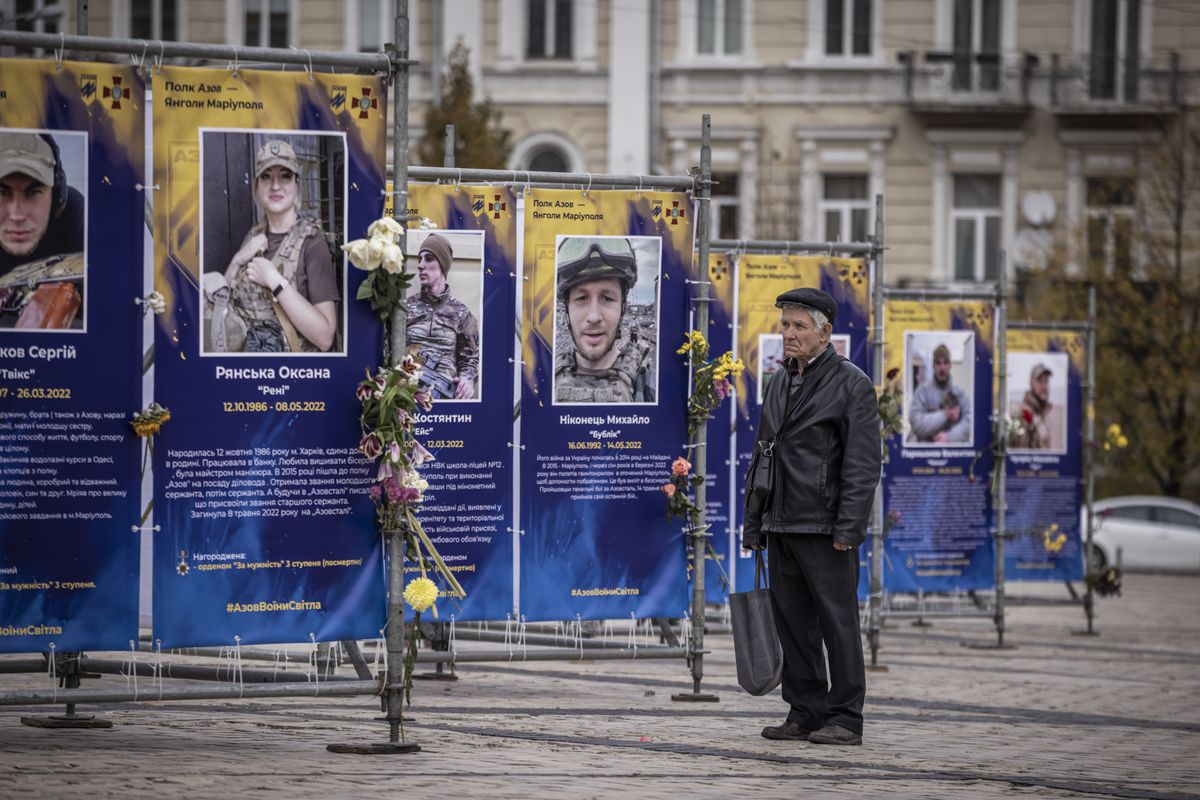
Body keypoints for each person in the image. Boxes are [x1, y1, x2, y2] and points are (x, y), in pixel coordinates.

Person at [743, 287, 880, 747]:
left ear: (825, 332)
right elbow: (763, 452)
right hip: (781, 522)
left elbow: (863, 464)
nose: (789, 334)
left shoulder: (851, 383)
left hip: (825, 527)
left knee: (837, 624)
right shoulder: (781, 380)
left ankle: (845, 717)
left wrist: (848, 527)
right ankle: (804, 711)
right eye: (785, 325)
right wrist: (755, 521)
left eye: (799, 326)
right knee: (793, 625)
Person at [212, 139, 338, 352]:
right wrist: (238, 260)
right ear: (257, 186)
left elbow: (325, 337)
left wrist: (274, 281)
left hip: (290, 375)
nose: (275, 186)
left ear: (297, 185)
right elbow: (222, 309)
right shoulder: (254, 237)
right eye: (266, 177)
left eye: (285, 176)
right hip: (244, 371)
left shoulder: (312, 242)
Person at [0, 132, 85, 328]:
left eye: (33, 192)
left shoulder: (73, 212)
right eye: (2, 192)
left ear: (57, 197)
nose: (17, 215)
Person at [554, 237, 653, 403]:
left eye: (607, 298)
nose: (593, 317)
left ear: (623, 307)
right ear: (567, 308)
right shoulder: (541, 383)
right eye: (581, 298)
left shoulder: (652, 388)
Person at [405, 232, 479, 399]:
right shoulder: (405, 309)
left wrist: (467, 381)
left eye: (429, 258)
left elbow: (470, 360)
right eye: (420, 259)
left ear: (443, 264)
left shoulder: (462, 314)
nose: (421, 265)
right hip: (407, 397)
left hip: (446, 400)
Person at [910, 343, 972, 443]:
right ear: (933, 366)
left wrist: (950, 437)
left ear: (950, 365)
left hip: (954, 454)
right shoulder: (922, 392)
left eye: (945, 363)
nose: (942, 368)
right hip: (925, 454)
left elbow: (970, 421)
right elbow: (916, 424)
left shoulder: (960, 393)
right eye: (938, 363)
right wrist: (945, 414)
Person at [1010, 362, 1053, 449]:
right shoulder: (1024, 413)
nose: (1044, 386)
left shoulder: (1044, 411)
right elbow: (1021, 453)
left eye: (1046, 381)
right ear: (1031, 382)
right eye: (1039, 381)